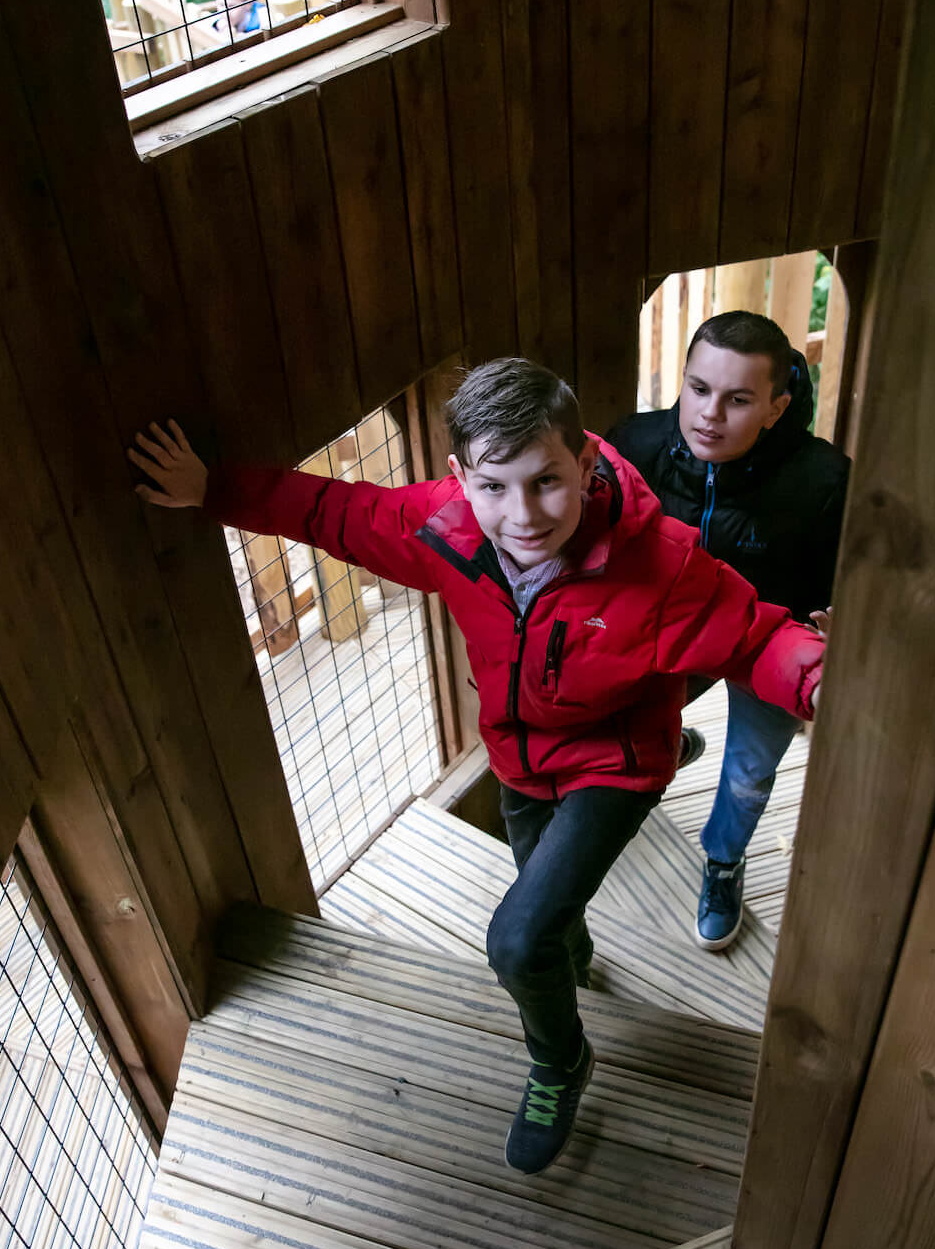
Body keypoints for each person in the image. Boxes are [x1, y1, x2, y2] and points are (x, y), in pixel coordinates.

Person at [129, 358, 824, 1176]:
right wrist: (215, 490)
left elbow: (756, 636)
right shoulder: (447, 528)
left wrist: (819, 677)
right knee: (551, 919)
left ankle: (561, 1061)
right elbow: (335, 510)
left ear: (587, 465)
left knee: (517, 938)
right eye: (495, 487)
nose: (522, 515)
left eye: (547, 482)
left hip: (618, 765)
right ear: (461, 479)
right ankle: (572, 957)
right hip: (520, 760)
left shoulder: (661, 567)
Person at [607, 311, 849, 953]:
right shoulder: (632, 444)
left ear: (775, 408)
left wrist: (836, 616)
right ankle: (670, 743)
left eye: (738, 399)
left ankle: (723, 860)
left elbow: (849, 576)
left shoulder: (824, 480)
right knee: (615, 719)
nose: (710, 412)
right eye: (698, 388)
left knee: (748, 773)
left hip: (769, 639)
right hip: (671, 630)